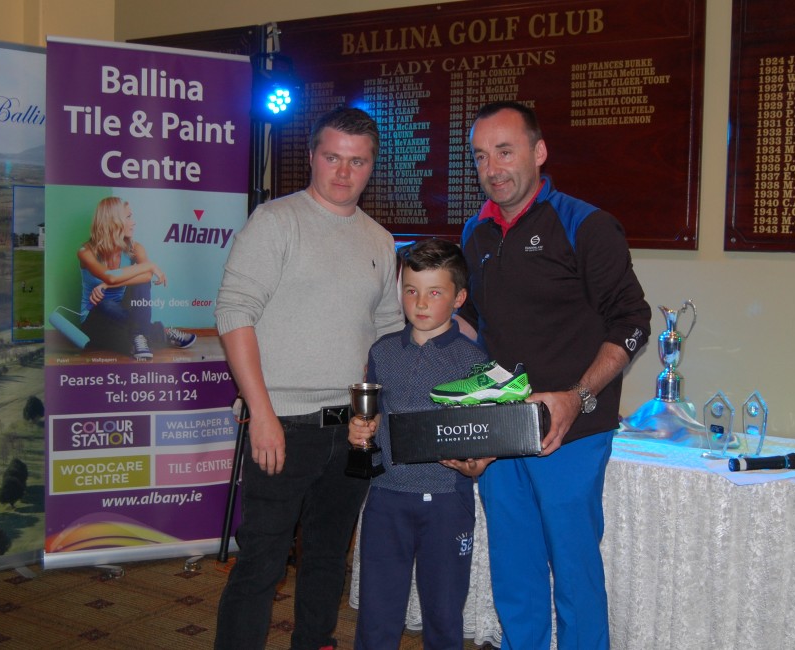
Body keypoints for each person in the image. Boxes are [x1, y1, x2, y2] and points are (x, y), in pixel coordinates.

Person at [457, 101, 652, 649]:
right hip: (502, 430)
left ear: (538, 153)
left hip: (572, 431)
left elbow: (634, 321)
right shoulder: (475, 232)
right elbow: (474, 331)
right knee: (514, 577)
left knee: (574, 576)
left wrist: (577, 396)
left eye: (505, 151)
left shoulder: (585, 224)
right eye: (480, 156)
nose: (492, 168)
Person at [213, 106, 403, 650]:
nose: (343, 173)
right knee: (263, 563)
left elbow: (389, 331)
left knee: (327, 558)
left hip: (351, 427)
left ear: (371, 168)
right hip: (282, 425)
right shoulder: (275, 222)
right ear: (312, 157)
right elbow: (234, 314)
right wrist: (262, 415)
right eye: (332, 158)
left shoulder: (379, 240)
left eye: (358, 162)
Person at [349, 238, 488, 649]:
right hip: (386, 498)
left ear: (459, 297)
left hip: (447, 501)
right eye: (411, 291)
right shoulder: (383, 351)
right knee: (377, 614)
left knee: (444, 615)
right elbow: (370, 416)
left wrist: (478, 461)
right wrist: (358, 430)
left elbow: (483, 432)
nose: (420, 303)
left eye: (434, 292)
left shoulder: (474, 362)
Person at [77, 196, 196, 361]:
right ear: (114, 221)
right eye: (128, 217)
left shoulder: (135, 248)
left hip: (124, 309)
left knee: (141, 286)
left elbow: (145, 277)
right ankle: (160, 331)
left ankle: (139, 334)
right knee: (108, 308)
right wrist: (150, 265)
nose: (134, 222)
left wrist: (105, 285)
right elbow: (111, 276)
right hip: (94, 314)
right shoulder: (86, 252)